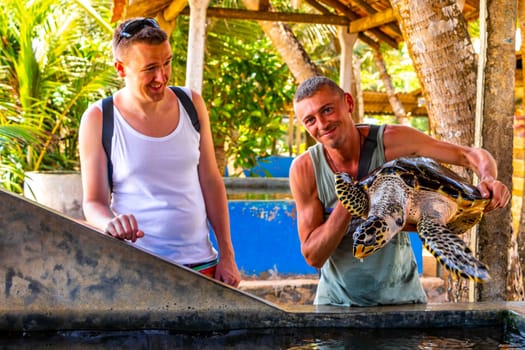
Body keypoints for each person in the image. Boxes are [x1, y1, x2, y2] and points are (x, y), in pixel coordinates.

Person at [289, 76, 511, 306]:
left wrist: (488, 179)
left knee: (428, 227)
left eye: (327, 110)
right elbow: (313, 256)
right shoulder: (305, 169)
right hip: (335, 303)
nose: (322, 124)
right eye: (310, 120)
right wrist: (351, 202)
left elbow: (469, 155)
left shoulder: (392, 141)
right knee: (425, 226)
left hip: (403, 300)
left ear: (348, 103)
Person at [78, 17, 240, 287]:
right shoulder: (99, 118)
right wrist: (109, 223)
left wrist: (227, 255)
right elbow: (93, 202)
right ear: (121, 69)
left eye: (167, 63)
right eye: (150, 68)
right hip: (137, 270)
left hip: (202, 265)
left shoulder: (192, 103)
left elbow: (211, 181)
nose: (161, 76)